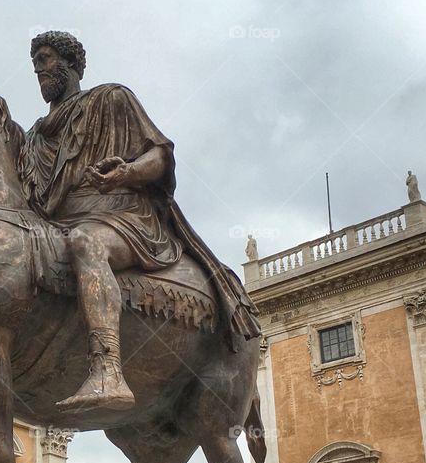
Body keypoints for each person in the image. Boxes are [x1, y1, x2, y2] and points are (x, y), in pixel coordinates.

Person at [19, 31, 259, 412]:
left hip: (122, 217)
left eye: (45, 59)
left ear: (71, 64)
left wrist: (126, 172)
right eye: (35, 64)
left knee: (86, 243)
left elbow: (160, 157)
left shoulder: (112, 98)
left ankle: (107, 369)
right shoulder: (33, 136)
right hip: (54, 226)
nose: (38, 69)